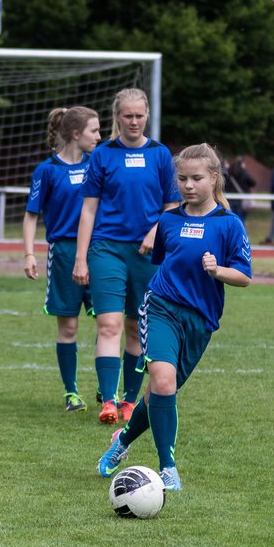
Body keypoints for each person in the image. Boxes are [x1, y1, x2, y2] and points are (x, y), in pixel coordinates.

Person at [96, 143, 252, 491]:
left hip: (200, 321)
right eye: (182, 178)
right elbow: (164, 265)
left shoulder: (229, 224)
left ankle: (121, 442)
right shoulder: (168, 220)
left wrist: (218, 271)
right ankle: (168, 468)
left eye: (197, 178)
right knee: (163, 382)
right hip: (161, 306)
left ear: (214, 179)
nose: (188, 185)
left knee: (157, 396)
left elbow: (244, 276)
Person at [74, 88, 181, 426]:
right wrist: (80, 258)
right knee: (109, 323)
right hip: (106, 249)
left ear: (147, 115)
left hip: (147, 254)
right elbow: (88, 209)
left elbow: (172, 206)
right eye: (127, 116)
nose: (133, 121)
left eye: (139, 115)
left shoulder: (161, 155)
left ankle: (130, 402)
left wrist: (155, 232)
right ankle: (107, 401)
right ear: (116, 117)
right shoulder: (103, 154)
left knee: (136, 328)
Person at [22, 106, 103, 412]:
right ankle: (71, 393)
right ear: (75, 133)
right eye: (93, 131)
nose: (99, 136)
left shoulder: (99, 163)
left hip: (99, 251)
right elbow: (31, 215)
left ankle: (106, 386)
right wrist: (29, 253)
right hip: (64, 253)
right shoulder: (47, 170)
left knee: (107, 322)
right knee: (68, 327)